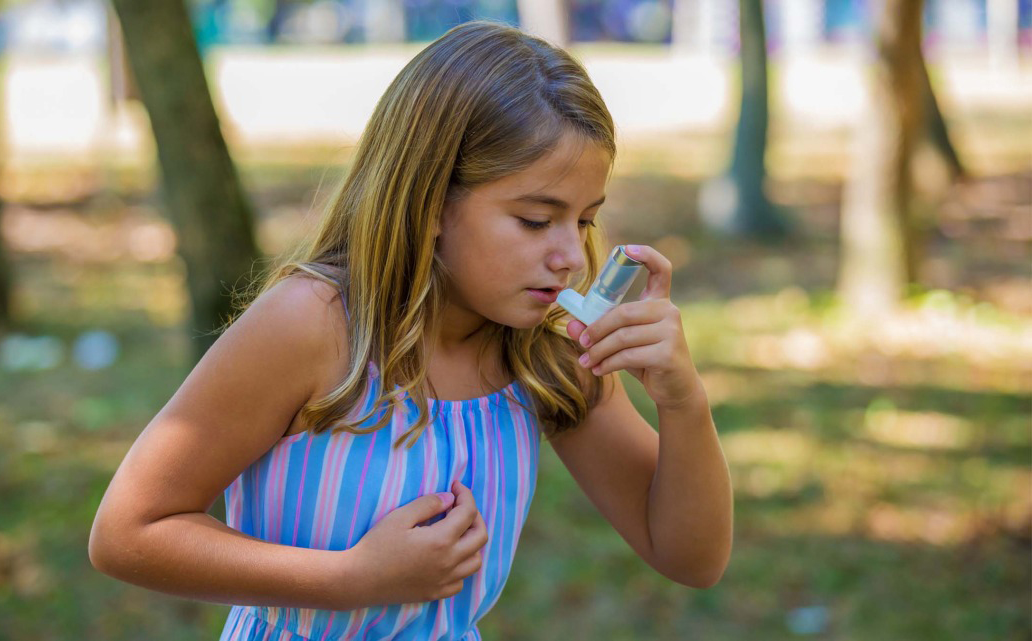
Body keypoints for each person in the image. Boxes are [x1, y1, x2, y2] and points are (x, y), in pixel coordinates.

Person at [88, 19, 733, 640]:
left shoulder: (545, 352)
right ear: (427, 203)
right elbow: (129, 532)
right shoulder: (312, 326)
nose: (569, 254)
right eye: (537, 220)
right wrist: (351, 578)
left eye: (585, 221)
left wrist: (683, 401)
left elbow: (691, 558)